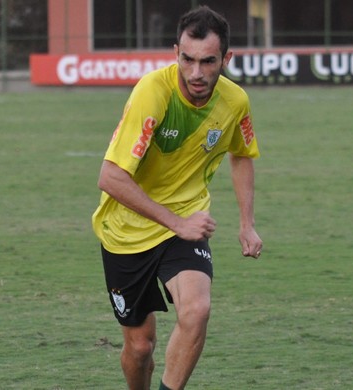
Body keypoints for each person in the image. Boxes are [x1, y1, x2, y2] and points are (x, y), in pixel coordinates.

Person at [91, 6, 263, 390]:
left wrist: (246, 223)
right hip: (126, 232)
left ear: (226, 59)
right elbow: (110, 176)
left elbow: (242, 154)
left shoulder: (235, 102)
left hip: (184, 223)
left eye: (208, 61)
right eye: (187, 59)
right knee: (139, 349)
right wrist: (177, 223)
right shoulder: (153, 92)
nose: (196, 72)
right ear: (175, 53)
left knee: (197, 309)